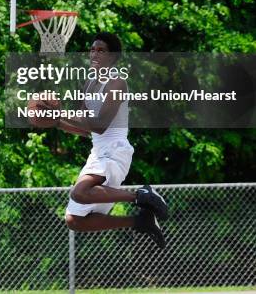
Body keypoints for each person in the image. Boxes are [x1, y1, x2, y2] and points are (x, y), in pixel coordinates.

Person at [36, 32, 168, 248]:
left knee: (80, 192)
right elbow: (86, 128)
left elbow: (100, 124)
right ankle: (140, 220)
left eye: (101, 50)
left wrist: (57, 113)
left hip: (115, 151)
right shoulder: (89, 83)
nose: (94, 54)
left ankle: (141, 195)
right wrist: (56, 122)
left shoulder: (117, 83)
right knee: (74, 220)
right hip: (98, 152)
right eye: (92, 49)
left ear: (113, 56)